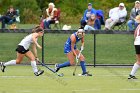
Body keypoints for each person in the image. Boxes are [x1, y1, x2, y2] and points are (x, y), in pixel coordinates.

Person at [128, 15, 140, 79]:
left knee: (138, 61)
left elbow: (135, 34)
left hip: (137, 43)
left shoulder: (138, 26)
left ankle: (131, 74)